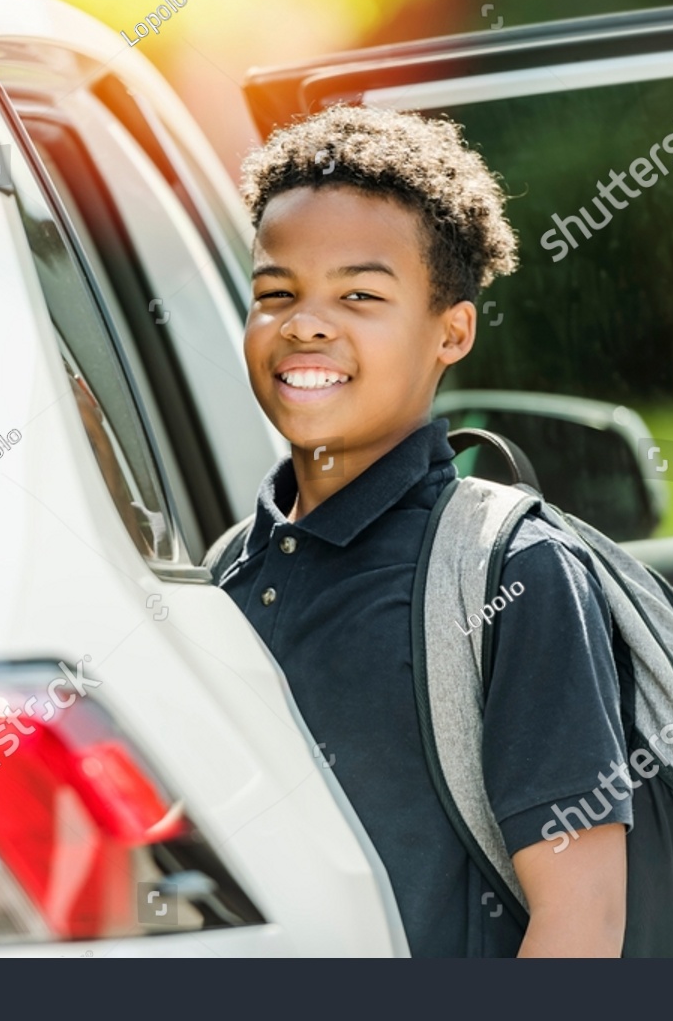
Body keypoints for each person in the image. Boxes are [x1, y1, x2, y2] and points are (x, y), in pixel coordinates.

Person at [213, 105, 628, 957]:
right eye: (276, 293)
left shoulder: (509, 570)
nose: (306, 323)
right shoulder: (220, 573)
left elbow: (583, 917)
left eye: (360, 294)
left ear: (452, 330)